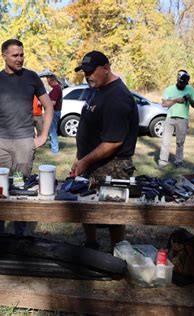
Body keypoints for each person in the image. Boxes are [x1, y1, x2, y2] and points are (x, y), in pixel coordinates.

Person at [0, 39, 54, 236]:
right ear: (3, 56)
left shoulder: (31, 77)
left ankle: (19, 236)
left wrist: (44, 135)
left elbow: (49, 106)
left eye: (22, 55)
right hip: (0, 142)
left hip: (24, 142)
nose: (20, 59)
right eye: (15, 55)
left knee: (21, 188)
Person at [72, 51, 139, 250]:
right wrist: (79, 158)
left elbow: (113, 142)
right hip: (92, 162)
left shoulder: (118, 97)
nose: (87, 76)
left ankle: (117, 251)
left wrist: (85, 161)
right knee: (87, 205)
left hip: (114, 166)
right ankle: (91, 244)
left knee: (113, 213)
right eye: (85, 72)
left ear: (106, 68)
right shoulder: (99, 89)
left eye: (91, 71)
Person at [157, 70, 194, 169]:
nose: (183, 85)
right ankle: (162, 162)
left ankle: (179, 161)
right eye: (181, 83)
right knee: (165, 141)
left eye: (185, 83)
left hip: (183, 119)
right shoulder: (169, 89)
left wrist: (190, 99)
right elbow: (164, 104)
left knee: (180, 142)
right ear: (177, 80)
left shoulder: (190, 89)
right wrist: (175, 100)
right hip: (170, 118)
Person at [47, 74, 63, 155]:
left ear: (52, 80)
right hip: (55, 112)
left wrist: (44, 103)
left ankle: (55, 150)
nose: (48, 84)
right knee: (52, 131)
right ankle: (54, 147)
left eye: (49, 82)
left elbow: (53, 102)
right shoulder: (57, 88)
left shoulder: (56, 89)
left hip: (55, 112)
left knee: (53, 131)